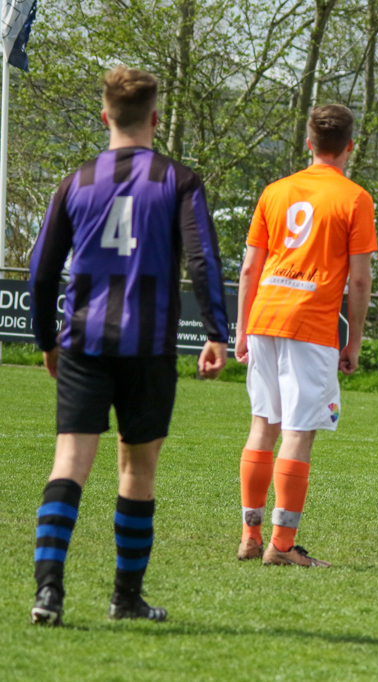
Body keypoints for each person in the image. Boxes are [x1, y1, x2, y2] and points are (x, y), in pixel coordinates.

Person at [28, 66, 229, 625]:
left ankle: (48, 594)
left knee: (69, 462)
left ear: (104, 116)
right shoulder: (178, 180)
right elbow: (203, 261)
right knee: (137, 470)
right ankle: (125, 598)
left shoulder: (76, 181)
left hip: (83, 342)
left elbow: (41, 273)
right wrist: (216, 332)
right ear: (155, 119)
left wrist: (46, 340)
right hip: (149, 346)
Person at [234, 104, 376, 567]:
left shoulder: (275, 191)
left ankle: (250, 535)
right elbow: (359, 280)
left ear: (308, 143)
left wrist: (242, 329)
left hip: (265, 316)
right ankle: (281, 545)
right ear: (350, 147)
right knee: (297, 431)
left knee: (263, 425)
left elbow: (250, 268)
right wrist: (353, 341)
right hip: (311, 325)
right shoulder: (355, 198)